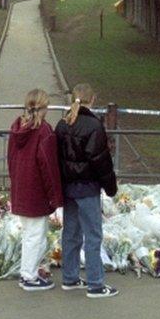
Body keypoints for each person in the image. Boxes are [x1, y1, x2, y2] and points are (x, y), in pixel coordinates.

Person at [55, 83, 119, 298]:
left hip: (68, 187)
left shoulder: (63, 124)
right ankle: (95, 283)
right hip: (88, 187)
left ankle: (70, 277)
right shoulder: (94, 126)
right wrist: (111, 187)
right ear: (93, 100)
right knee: (93, 235)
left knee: (71, 233)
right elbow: (101, 160)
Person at [7, 89, 63, 291]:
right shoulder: (44, 131)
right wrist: (55, 197)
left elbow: (10, 159)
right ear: (44, 108)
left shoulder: (17, 128)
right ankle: (28, 276)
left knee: (29, 235)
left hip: (21, 187)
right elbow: (48, 167)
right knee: (36, 236)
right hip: (36, 190)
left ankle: (27, 272)